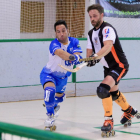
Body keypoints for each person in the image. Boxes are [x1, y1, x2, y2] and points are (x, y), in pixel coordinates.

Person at [86, 4, 140, 136]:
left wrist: (96, 56)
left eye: (95, 16)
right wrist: (89, 60)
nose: (92, 19)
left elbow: (108, 46)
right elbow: (89, 54)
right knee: (114, 94)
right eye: (90, 17)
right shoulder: (90, 33)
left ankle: (108, 120)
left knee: (103, 89)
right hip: (108, 67)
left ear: (102, 15)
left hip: (119, 65)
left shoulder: (107, 29)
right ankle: (129, 111)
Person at [40, 20, 83, 130]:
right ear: (56, 33)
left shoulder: (74, 41)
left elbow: (77, 53)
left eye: (63, 31)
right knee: (49, 92)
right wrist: (73, 57)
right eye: (58, 32)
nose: (61, 34)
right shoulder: (54, 43)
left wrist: (77, 57)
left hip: (63, 77)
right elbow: (61, 54)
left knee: (59, 98)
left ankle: (54, 106)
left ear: (67, 30)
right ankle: (50, 117)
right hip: (49, 74)